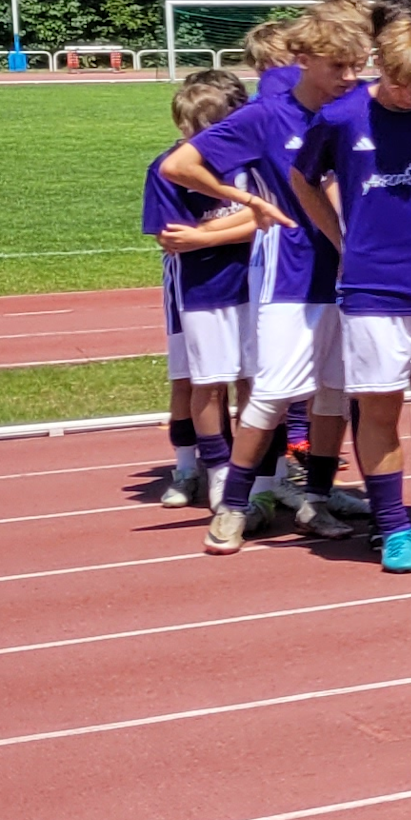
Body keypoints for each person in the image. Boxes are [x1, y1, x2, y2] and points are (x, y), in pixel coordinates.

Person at [163, 0, 365, 546]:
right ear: (303, 61)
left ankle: (316, 498)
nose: (350, 77)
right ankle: (233, 503)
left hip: (355, 272)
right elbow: (179, 165)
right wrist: (250, 201)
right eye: (339, 66)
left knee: (335, 392)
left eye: (357, 65)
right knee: (273, 390)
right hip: (290, 272)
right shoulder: (265, 116)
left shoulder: (358, 110)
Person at [300, 11, 411, 573]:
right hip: (372, 287)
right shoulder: (340, 116)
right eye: (402, 82)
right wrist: (341, 238)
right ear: (379, 64)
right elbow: (303, 178)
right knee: (378, 402)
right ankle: (391, 524)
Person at [149, 70, 259, 516]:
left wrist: (208, 233)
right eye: (198, 129)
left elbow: (272, 216)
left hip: (256, 283)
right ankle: (214, 469)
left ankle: (253, 470)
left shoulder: (249, 162)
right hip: (202, 290)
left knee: (253, 381)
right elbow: (174, 237)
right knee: (206, 382)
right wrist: (245, 223)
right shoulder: (168, 169)